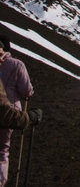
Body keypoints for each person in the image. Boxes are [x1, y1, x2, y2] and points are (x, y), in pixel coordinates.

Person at [0, 36, 37, 186]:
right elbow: (27, 91)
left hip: (7, 113)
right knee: (2, 150)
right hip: (11, 114)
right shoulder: (17, 64)